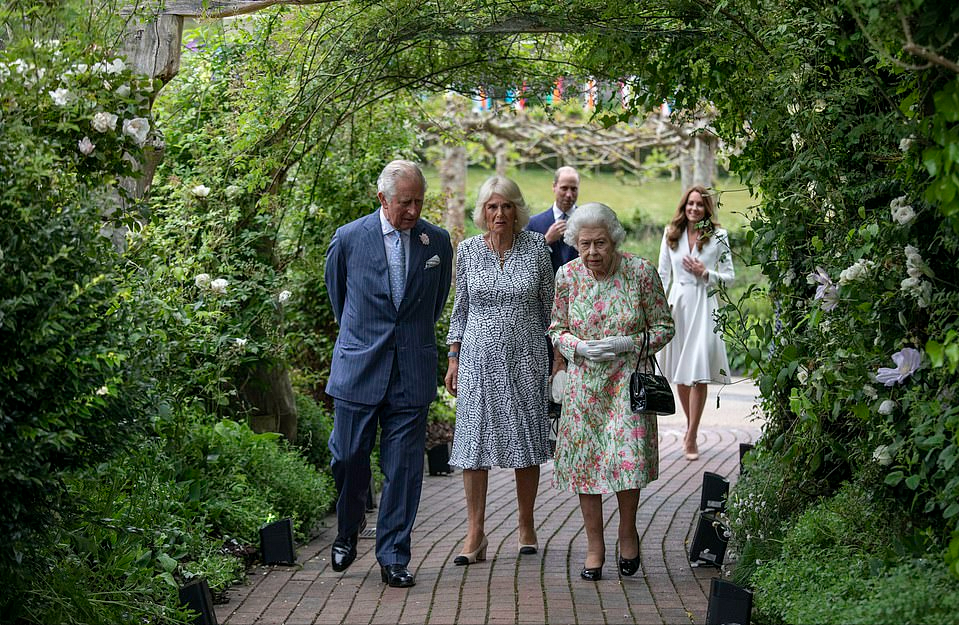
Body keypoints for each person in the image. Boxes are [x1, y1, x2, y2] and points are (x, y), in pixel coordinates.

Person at [324, 160, 453, 588]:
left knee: (403, 469)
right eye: (405, 202)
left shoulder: (437, 241)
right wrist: (365, 339)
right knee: (347, 457)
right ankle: (348, 529)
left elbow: (434, 305)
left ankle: (394, 554)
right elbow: (339, 302)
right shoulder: (347, 239)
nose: (413, 210)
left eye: (419, 201)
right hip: (359, 367)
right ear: (382, 199)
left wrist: (408, 341)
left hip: (410, 371)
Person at [548, 203, 674, 582]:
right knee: (587, 466)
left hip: (627, 384)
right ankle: (594, 546)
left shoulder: (639, 272)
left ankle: (627, 532)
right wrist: (578, 348)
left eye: (600, 244)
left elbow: (665, 327)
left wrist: (627, 343)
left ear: (614, 240)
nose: (592, 254)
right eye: (584, 244)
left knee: (627, 462)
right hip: (585, 388)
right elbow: (556, 329)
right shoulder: (568, 276)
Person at [444, 176, 554, 566]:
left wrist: (555, 354)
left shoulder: (537, 247)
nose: (500, 213)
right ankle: (475, 532)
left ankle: (526, 524)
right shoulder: (469, 250)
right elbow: (461, 308)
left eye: (507, 206)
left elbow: (549, 307)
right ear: (483, 212)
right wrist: (454, 355)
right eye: (492, 206)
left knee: (525, 439)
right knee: (473, 442)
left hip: (526, 356)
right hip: (477, 357)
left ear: (517, 210)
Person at [656, 185, 734, 461]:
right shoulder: (671, 234)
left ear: (707, 209)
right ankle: (691, 427)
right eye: (690, 204)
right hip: (678, 305)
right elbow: (662, 275)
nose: (694, 209)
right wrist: (657, 308)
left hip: (703, 304)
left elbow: (729, 277)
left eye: (700, 205)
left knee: (698, 370)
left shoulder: (719, 236)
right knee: (680, 371)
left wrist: (705, 272)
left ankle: (691, 436)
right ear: (684, 206)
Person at [526, 165, 581, 273]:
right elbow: (524, 262)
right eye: (564, 188)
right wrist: (546, 240)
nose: (569, 194)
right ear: (554, 187)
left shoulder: (589, 222)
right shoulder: (533, 223)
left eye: (573, 189)